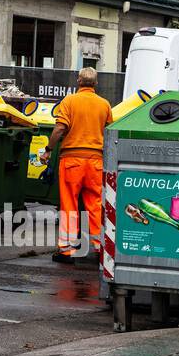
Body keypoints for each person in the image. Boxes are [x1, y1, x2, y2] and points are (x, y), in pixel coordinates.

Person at [43, 67, 112, 264]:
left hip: (72, 160)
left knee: (69, 204)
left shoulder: (69, 101)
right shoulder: (104, 104)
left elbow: (59, 129)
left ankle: (67, 250)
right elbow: (109, 132)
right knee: (96, 204)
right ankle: (100, 248)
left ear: (78, 81)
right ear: (96, 83)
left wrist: (48, 149)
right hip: (96, 161)